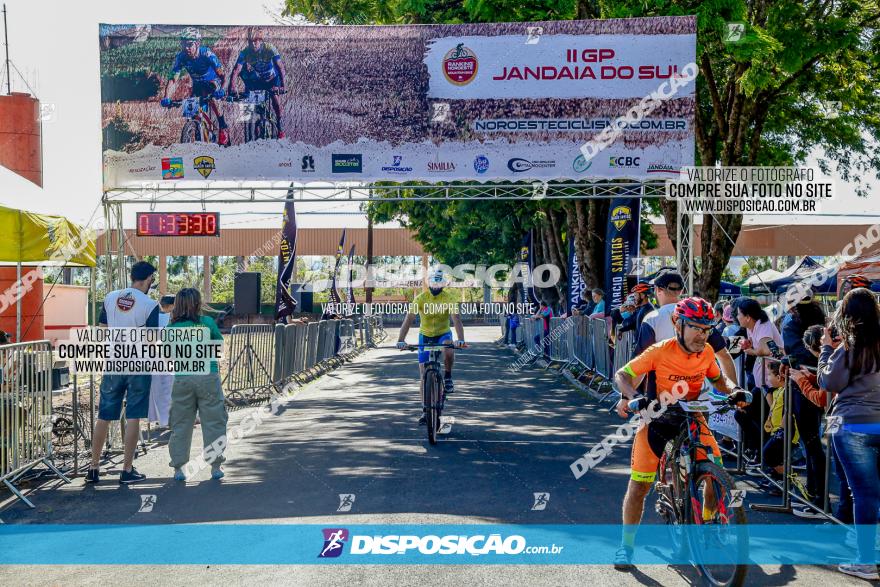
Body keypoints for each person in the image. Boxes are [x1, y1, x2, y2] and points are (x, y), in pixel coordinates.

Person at [612, 297, 751, 569]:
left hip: (692, 417)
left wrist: (733, 390)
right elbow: (622, 374)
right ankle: (626, 547)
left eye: (707, 328)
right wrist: (632, 397)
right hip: (656, 422)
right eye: (696, 327)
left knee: (717, 476)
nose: (702, 334)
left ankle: (708, 526)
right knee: (639, 487)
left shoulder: (708, 352)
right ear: (678, 324)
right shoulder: (660, 350)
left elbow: (719, 380)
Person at [818, 288, 880, 580]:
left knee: (864, 494)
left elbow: (829, 381)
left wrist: (826, 350)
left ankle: (866, 560)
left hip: (853, 425)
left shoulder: (849, 348)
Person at [86, 261, 160, 485]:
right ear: (148, 279)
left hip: (113, 363)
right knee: (133, 416)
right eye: (152, 280)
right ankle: (127, 470)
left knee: (104, 416)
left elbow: (101, 329)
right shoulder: (149, 304)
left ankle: (93, 468)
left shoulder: (110, 297)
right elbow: (151, 339)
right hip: (138, 365)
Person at [167, 288, 228, 481]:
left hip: (183, 378)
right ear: (197, 303)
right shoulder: (208, 323)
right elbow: (218, 346)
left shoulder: (171, 328)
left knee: (181, 423)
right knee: (214, 421)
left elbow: (168, 354)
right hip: (207, 376)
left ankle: (178, 468)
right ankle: (215, 466)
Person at [635, 270, 737, 383]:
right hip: (699, 393)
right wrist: (735, 390)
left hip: (662, 393)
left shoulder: (652, 319)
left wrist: (626, 397)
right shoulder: (699, 315)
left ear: (658, 290)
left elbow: (639, 364)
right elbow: (724, 356)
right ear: (682, 290)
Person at [780, 286, 828, 517]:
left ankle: (819, 498)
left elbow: (797, 353)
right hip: (819, 383)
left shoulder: (791, 323)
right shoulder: (819, 316)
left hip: (805, 384)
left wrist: (788, 360)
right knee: (813, 442)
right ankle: (816, 493)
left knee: (812, 444)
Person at [396, 269, 466, 424]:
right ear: (429, 283)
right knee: (423, 375)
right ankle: (425, 410)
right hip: (425, 335)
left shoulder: (449, 298)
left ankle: (447, 376)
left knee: (448, 346)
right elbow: (409, 319)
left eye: (439, 283)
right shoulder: (420, 298)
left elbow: (456, 319)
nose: (436, 286)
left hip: (443, 334)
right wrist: (401, 340)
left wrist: (460, 339)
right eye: (433, 283)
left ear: (443, 284)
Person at [161, 27, 230, 146]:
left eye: (189, 44)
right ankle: (196, 128)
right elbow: (173, 79)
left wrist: (222, 89)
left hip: (213, 81)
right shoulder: (181, 57)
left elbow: (223, 75)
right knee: (194, 110)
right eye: (183, 44)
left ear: (197, 43)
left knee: (213, 99)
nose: (186, 48)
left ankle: (223, 127)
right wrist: (166, 97)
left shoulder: (207, 54)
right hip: (197, 84)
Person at [735, 297, 785, 458]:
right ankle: (762, 453)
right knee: (744, 414)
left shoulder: (764, 325)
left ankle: (767, 456)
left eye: (738, 314)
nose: (737, 317)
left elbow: (764, 350)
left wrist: (751, 351)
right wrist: (748, 345)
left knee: (766, 420)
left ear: (748, 316)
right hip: (761, 381)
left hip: (772, 383)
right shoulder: (751, 327)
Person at [226, 27, 288, 139]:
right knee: (247, 101)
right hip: (258, 80)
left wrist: (283, 86)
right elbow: (236, 70)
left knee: (275, 99)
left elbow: (280, 67)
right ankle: (248, 134)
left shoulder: (270, 48)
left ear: (261, 40)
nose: (254, 44)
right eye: (252, 41)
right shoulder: (245, 52)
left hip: (273, 79)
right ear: (248, 42)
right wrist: (232, 88)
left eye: (257, 40)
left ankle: (280, 125)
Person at [759, 361, 800, 486]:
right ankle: (777, 479)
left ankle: (788, 480)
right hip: (775, 430)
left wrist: (782, 430)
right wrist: (767, 395)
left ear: (778, 377)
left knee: (768, 454)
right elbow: (774, 408)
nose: (767, 378)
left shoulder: (788, 391)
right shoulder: (778, 390)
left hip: (785, 431)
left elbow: (789, 412)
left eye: (769, 375)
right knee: (774, 457)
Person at [148, 295, 176, 428]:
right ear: (171, 306)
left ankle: (164, 419)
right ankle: (165, 419)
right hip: (159, 356)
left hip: (157, 356)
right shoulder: (163, 317)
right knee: (165, 387)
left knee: (161, 388)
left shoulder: (158, 315)